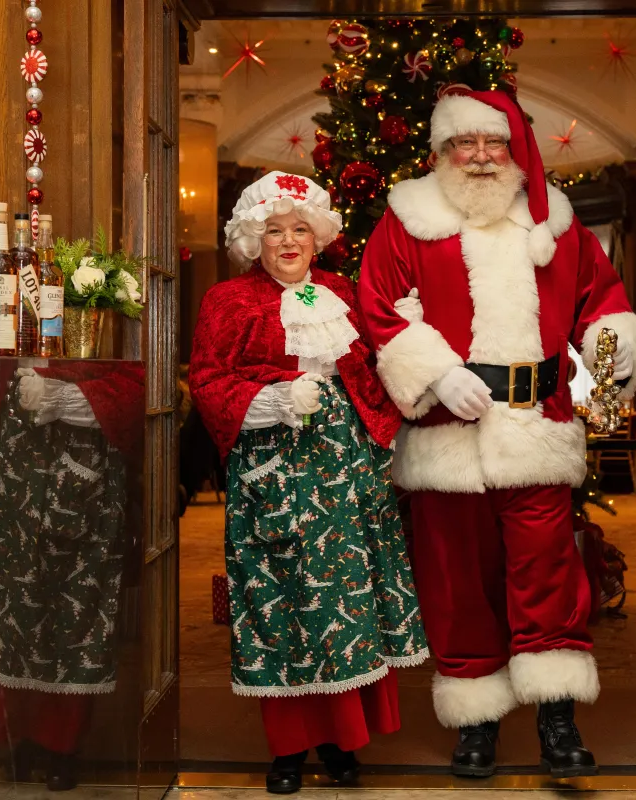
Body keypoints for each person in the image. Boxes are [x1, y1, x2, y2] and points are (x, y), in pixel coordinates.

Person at [357, 90, 636, 778]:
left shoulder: (554, 219)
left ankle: (557, 717)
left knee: (547, 573)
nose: (482, 158)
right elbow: (379, 309)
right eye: (466, 144)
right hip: (445, 435)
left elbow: (600, 297)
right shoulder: (406, 219)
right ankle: (476, 721)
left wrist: (613, 340)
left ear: (514, 149)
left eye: (494, 144)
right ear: (442, 151)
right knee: (457, 582)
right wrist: (433, 374)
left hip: (534, 428)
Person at [188, 171, 429, 794]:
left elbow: (376, 373)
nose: (288, 241)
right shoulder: (227, 301)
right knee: (282, 603)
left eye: (300, 229)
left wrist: (406, 336)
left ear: (318, 237)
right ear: (253, 239)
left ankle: (341, 745)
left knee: (346, 604)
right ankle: (288, 750)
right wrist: (271, 400)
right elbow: (210, 384)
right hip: (275, 470)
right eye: (273, 230)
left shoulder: (342, 291)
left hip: (347, 472)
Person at [0, 361, 144, 792]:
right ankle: (14, 742)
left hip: (85, 455)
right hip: (16, 449)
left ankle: (61, 746)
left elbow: (136, 379)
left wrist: (68, 398)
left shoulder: (117, 298)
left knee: (75, 610)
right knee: (8, 601)